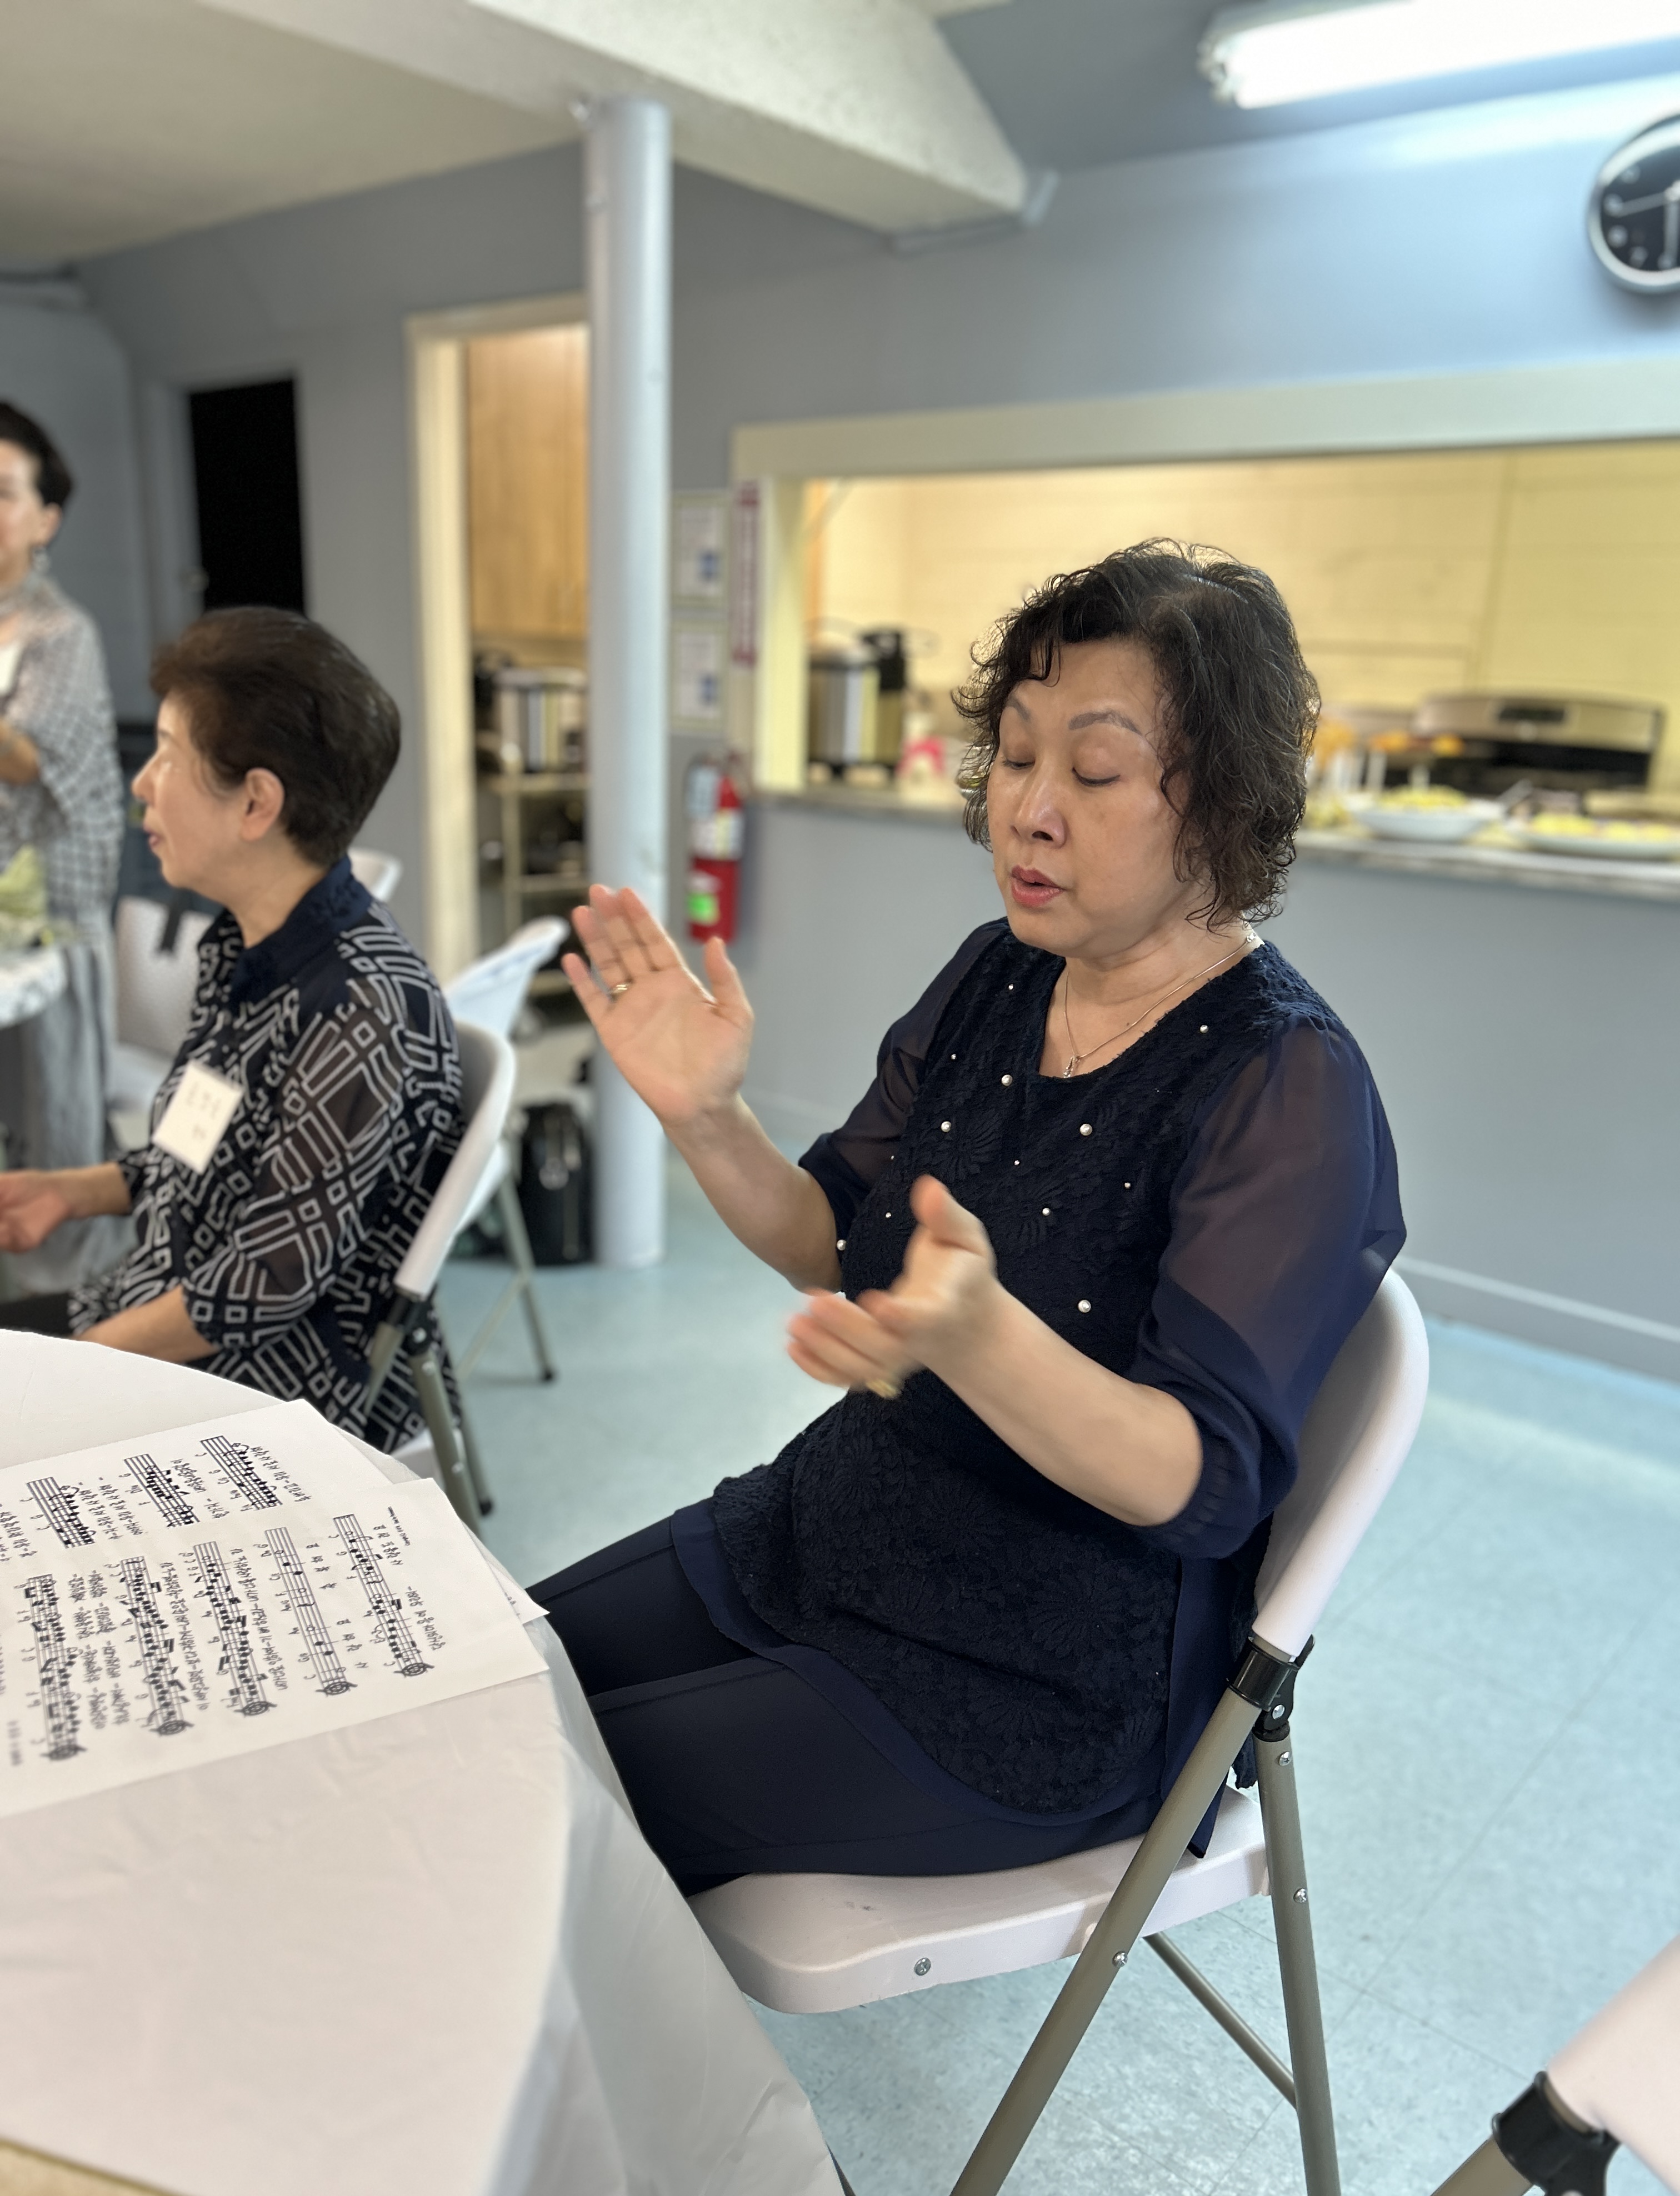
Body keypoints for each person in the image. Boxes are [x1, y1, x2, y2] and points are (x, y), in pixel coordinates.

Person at [536, 541, 1404, 1895]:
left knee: (533, 1796)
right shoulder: (1004, 972)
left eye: (1096, 771)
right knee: (490, 1675)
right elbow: (835, 1234)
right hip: (839, 1524)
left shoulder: (1286, 1082)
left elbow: (1196, 1478)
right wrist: (706, 1117)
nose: (1031, 810)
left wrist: (977, 1335)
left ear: (1223, 803)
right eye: (1016, 754)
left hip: (1036, 1675)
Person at [0, 607, 463, 1452]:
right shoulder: (254, 945)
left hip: (267, 1394)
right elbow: (210, 1150)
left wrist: (69, 1372)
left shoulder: (363, 1009)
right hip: (157, 1313)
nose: (142, 784)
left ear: (256, 802)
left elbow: (259, 1287)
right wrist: (72, 1191)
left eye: (168, 756)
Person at [0, 401, 126, 1291]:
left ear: (45, 520)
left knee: (56, 1122)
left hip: (50, 917)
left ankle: (73, 1309)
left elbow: (27, 760)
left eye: (4, 493)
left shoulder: (60, 631)